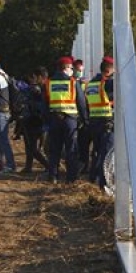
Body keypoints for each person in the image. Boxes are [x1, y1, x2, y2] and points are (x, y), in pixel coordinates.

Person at [45, 55, 88, 184]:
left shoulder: (49, 82)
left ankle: (53, 176)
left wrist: (48, 119)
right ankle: (71, 177)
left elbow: (45, 103)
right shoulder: (73, 82)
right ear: (67, 68)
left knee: (55, 149)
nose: (72, 70)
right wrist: (85, 119)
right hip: (70, 120)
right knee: (71, 149)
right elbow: (81, 102)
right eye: (71, 68)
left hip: (54, 119)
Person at [85, 56, 115, 189]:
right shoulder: (107, 83)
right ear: (108, 70)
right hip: (106, 122)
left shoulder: (91, 83)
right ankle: (104, 183)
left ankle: (93, 177)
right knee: (107, 154)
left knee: (96, 151)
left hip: (94, 122)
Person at [19, 67, 49, 173]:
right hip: (39, 120)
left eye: (34, 77)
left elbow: (33, 104)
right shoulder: (46, 87)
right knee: (31, 146)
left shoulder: (35, 89)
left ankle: (48, 166)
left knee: (33, 148)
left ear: (39, 77)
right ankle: (28, 167)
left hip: (33, 120)